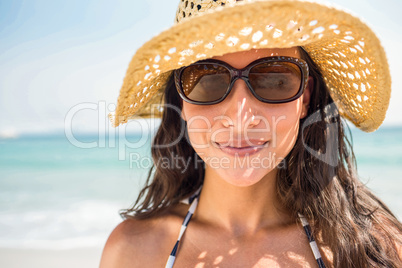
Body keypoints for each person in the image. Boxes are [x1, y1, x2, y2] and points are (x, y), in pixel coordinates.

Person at [100, 0, 402, 267]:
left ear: (305, 97)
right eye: (208, 80)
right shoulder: (132, 252)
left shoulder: (375, 251)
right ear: (182, 101)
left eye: (274, 80)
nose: (241, 118)